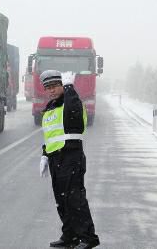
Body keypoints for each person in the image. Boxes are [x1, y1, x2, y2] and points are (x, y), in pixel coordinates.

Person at [39, 70, 99, 249]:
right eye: (47, 87)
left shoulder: (71, 102)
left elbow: (75, 120)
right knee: (62, 200)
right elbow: (50, 135)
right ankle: (70, 235)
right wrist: (44, 155)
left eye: (55, 86)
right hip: (55, 159)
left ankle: (88, 238)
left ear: (62, 85)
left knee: (74, 199)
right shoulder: (50, 108)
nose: (51, 90)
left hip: (71, 156)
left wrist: (69, 88)